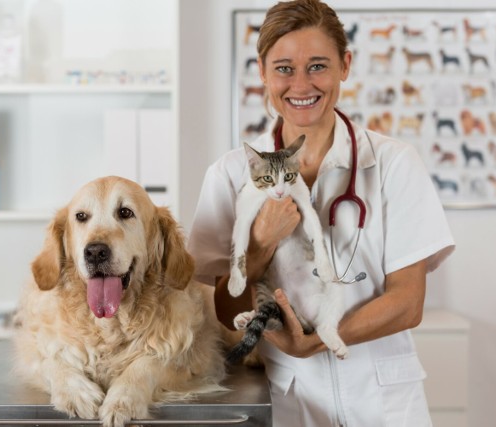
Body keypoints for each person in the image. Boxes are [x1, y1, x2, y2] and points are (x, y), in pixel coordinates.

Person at [187, 0, 455, 426]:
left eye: (317, 66)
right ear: (261, 71)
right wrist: (259, 244)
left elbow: (408, 302)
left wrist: (316, 342)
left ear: (345, 65)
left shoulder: (393, 163)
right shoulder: (230, 174)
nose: (300, 85)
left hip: (384, 402)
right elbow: (224, 308)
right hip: (293, 399)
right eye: (283, 68)